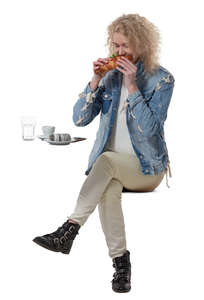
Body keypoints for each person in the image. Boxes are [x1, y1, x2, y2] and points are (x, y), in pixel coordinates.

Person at [33, 13, 175, 293]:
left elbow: (151, 129)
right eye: (116, 46)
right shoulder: (109, 76)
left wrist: (132, 86)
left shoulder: (162, 79)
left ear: (142, 44)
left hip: (147, 170)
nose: (119, 52)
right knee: (108, 189)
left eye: (126, 46)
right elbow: (79, 120)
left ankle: (69, 230)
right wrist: (95, 80)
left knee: (105, 160)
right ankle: (121, 264)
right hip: (110, 171)